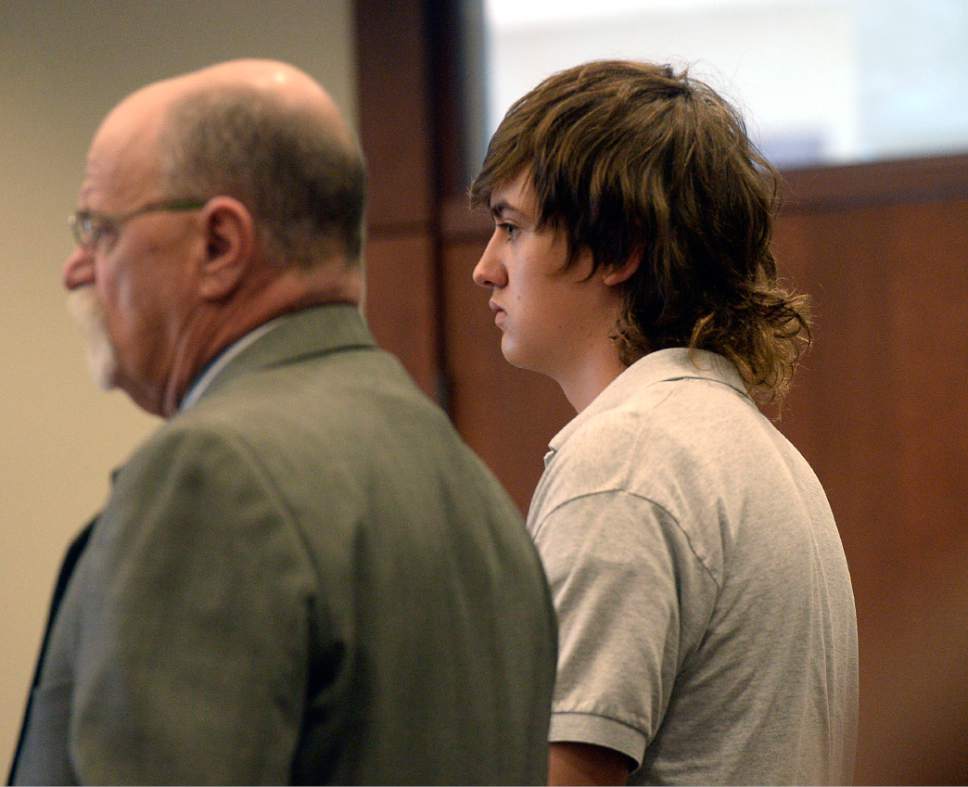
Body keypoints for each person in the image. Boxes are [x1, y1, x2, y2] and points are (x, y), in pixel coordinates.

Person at [10, 59, 557, 785]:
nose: (76, 269)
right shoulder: (465, 481)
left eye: (99, 230)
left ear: (218, 246)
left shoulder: (211, 476)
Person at [471, 60, 858, 785]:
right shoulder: (748, 447)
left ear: (618, 249)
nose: (486, 267)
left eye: (512, 228)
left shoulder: (625, 463)